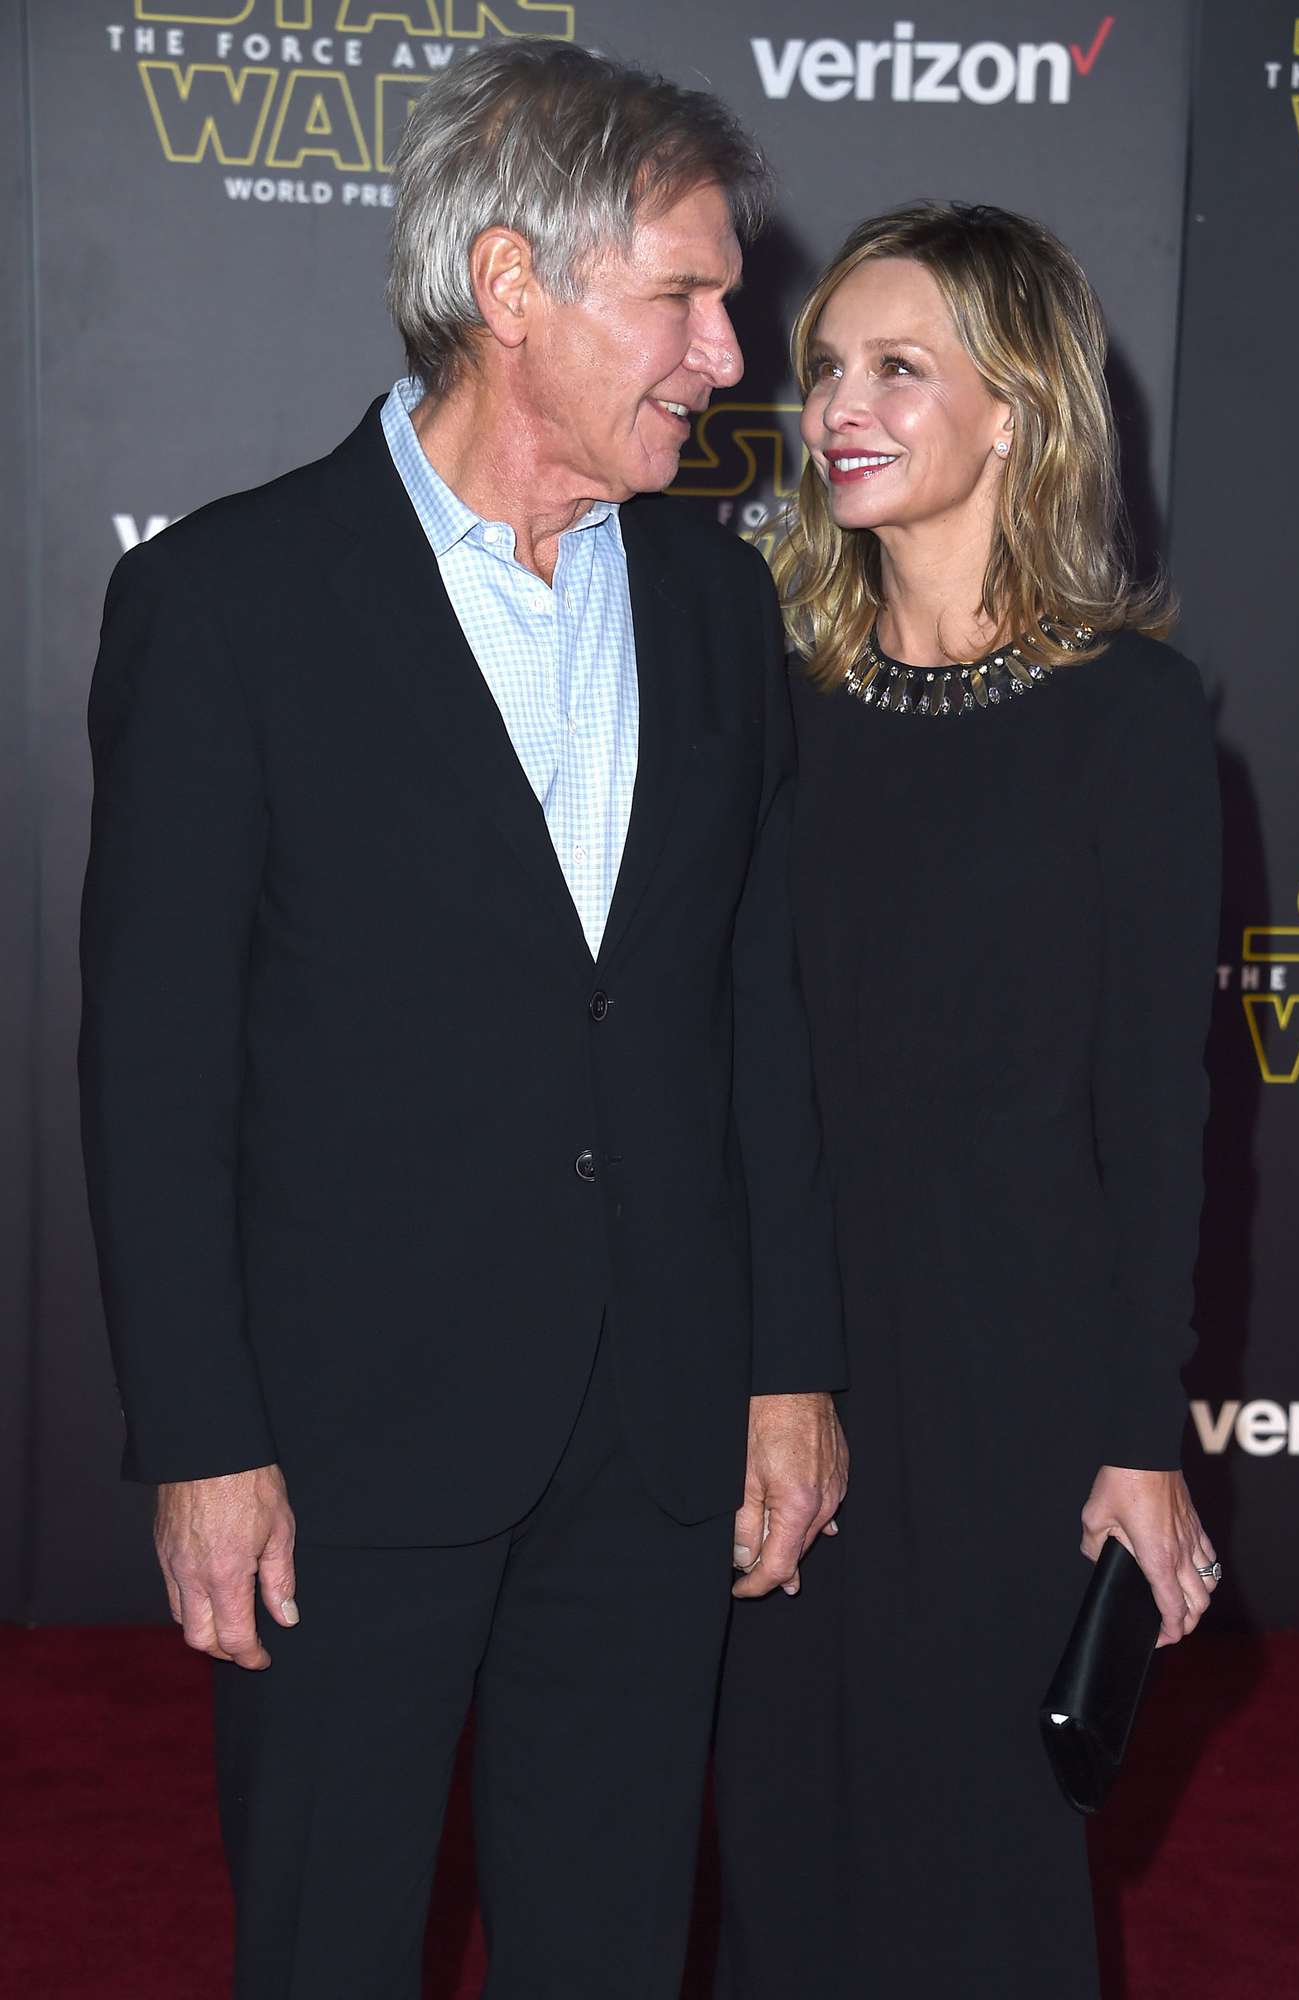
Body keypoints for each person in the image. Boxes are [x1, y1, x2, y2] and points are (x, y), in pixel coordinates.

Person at [79, 43, 846, 2000]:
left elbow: (748, 1005)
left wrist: (783, 1363)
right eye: (679, 293)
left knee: (608, 1941)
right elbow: (155, 1063)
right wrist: (203, 1439)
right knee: (328, 1941)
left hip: (658, 1423)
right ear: (515, 289)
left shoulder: (714, 607)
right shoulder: (233, 603)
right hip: (347, 1438)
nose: (729, 346)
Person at [713, 202, 1221, 1999]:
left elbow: (1158, 1120)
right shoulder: (757, 705)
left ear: (1017, 408)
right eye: (826, 368)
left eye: (897, 367)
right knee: (777, 1841)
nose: (839, 403)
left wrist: (1137, 1438)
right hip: (779, 1353)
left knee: (987, 1856)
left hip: (1016, 1380)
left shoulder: (1137, 726)